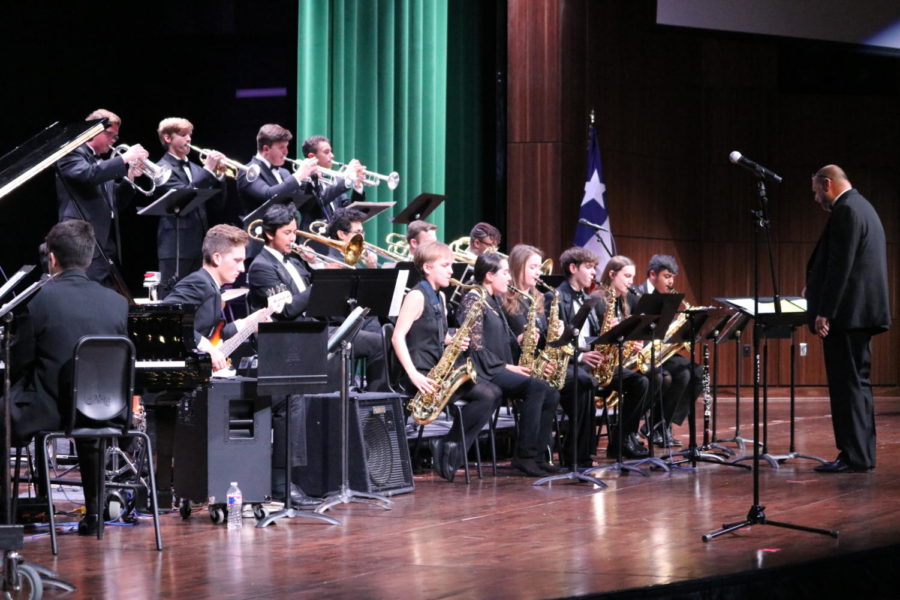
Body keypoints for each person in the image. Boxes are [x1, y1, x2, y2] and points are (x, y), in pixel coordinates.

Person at [5, 220, 128, 535]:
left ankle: (5, 517)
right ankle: (95, 517)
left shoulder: (39, 301)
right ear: (89, 259)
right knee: (89, 434)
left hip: (49, 410)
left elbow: (18, 362)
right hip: (101, 410)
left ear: (52, 259)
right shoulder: (117, 304)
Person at [392, 242, 502, 482]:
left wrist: (453, 341)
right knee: (486, 394)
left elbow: (438, 334)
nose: (452, 271)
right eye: (446, 265)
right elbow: (397, 336)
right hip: (421, 374)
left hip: (439, 370)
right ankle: (450, 448)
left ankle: (450, 445)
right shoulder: (416, 296)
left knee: (492, 393)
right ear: (428, 267)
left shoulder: (440, 296)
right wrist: (413, 374)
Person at [806, 165, 890, 473]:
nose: (816, 199)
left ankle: (854, 455)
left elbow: (841, 266)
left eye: (816, 191)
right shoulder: (863, 207)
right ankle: (861, 454)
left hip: (846, 316)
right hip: (859, 314)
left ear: (827, 184)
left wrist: (824, 311)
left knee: (847, 387)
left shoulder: (846, 210)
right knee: (857, 385)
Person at [457, 252, 560, 476]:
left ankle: (539, 456)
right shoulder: (474, 299)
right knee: (537, 387)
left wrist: (525, 341)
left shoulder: (492, 299)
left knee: (551, 391)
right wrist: (507, 367)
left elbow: (504, 341)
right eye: (504, 273)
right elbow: (476, 350)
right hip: (484, 370)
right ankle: (524, 456)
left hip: (498, 366)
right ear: (489, 276)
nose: (509, 278)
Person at [55, 108, 149, 288]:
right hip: (79, 244)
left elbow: (116, 203)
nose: (114, 140)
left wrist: (131, 176)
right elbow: (87, 175)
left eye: (116, 136)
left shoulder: (101, 162)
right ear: (93, 131)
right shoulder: (71, 153)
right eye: (109, 134)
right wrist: (124, 159)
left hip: (104, 246)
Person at [163, 224, 269, 372]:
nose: (242, 268)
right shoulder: (199, 282)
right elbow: (166, 316)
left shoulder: (212, 286)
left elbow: (214, 335)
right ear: (217, 258)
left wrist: (248, 323)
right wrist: (204, 345)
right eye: (237, 260)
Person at [153, 117, 226, 296]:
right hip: (176, 245)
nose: (189, 140)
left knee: (200, 296)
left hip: (200, 244)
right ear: (168, 138)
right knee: (176, 297)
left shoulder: (195, 168)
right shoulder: (160, 168)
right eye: (183, 135)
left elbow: (217, 204)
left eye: (190, 135)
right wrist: (208, 170)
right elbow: (183, 196)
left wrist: (220, 175)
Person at [634, 254, 701, 448]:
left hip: (660, 351)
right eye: (667, 276)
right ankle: (657, 425)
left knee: (697, 372)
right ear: (652, 274)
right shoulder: (637, 295)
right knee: (681, 375)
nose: (671, 282)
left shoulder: (668, 299)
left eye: (673, 277)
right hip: (640, 352)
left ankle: (659, 424)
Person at [592, 255, 653, 459]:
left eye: (632, 277)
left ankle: (626, 436)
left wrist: (633, 342)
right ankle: (622, 439)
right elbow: (595, 339)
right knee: (641, 383)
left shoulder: (623, 300)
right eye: (626, 276)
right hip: (598, 365)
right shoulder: (599, 300)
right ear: (611, 274)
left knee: (654, 378)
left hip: (616, 361)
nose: (630, 281)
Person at [299, 135, 366, 231]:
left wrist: (357, 186)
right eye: (326, 152)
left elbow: (347, 210)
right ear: (312, 157)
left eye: (330, 151)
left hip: (337, 239)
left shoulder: (330, 181)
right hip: (314, 241)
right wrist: (345, 178)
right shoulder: (303, 181)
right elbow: (319, 201)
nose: (332, 155)